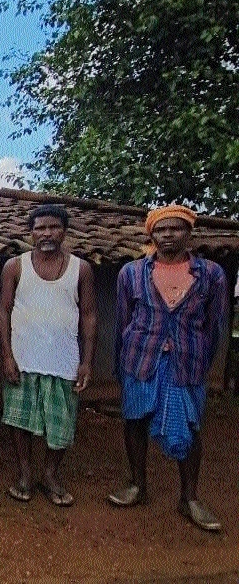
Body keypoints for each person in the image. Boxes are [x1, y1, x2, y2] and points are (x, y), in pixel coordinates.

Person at [107, 205, 229, 532]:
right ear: (152, 235)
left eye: (175, 228)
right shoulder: (131, 273)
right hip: (140, 358)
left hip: (187, 363)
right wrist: (120, 364)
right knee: (134, 420)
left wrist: (202, 362)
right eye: (160, 230)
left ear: (189, 233)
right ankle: (137, 485)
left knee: (190, 427)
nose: (168, 235)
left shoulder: (211, 274)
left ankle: (189, 498)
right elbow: (122, 320)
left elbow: (214, 326)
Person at [0, 205, 97, 506]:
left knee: (61, 424)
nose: (47, 234)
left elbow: (89, 315)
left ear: (64, 231)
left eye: (53, 227)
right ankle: (25, 473)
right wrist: (7, 355)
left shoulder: (81, 269)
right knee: (20, 421)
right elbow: (3, 311)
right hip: (24, 357)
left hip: (63, 359)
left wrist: (87, 362)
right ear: (31, 232)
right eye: (40, 228)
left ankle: (50, 474)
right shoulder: (15, 266)